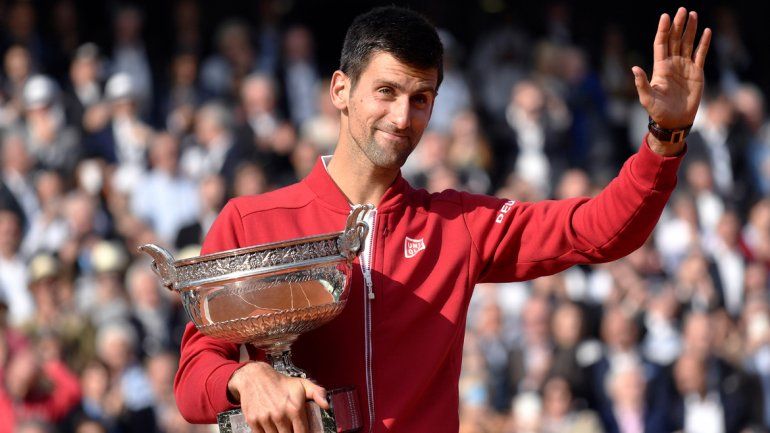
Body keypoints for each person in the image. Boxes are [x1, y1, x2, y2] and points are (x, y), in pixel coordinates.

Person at [174, 6, 711, 433]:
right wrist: (246, 377)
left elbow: (597, 230)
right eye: (385, 92)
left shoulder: (457, 224)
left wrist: (664, 140)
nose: (402, 118)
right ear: (340, 89)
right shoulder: (251, 219)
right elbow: (194, 376)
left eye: (421, 99)